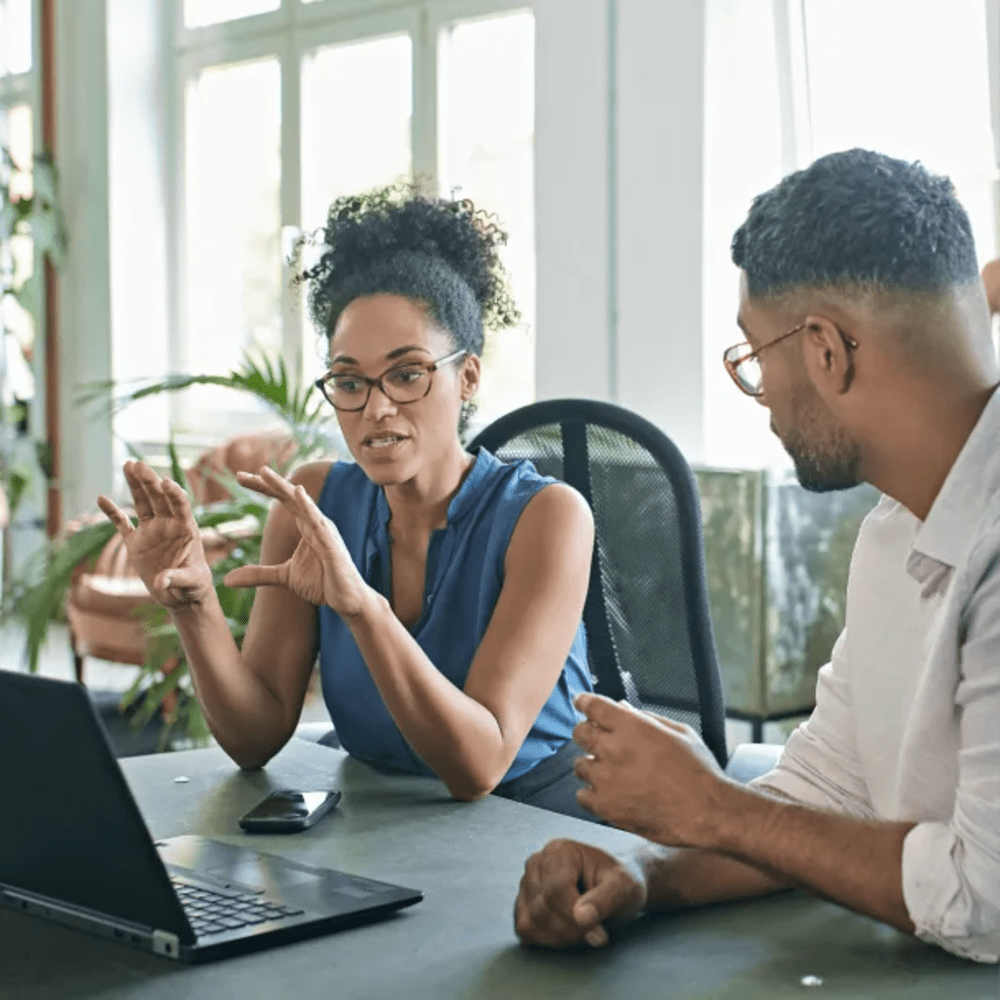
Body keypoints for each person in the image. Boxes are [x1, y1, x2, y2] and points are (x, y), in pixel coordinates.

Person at [513, 149, 1000, 962]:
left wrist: (714, 807)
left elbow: (982, 898)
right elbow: (826, 795)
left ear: (824, 350)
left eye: (752, 354)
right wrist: (644, 871)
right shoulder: (892, 532)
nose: (760, 390)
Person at [97, 185, 599, 820]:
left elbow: (480, 764)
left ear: (467, 377)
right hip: (385, 815)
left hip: (537, 819)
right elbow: (255, 737)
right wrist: (194, 606)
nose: (376, 407)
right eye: (350, 381)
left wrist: (362, 607)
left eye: (408, 373)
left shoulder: (548, 517)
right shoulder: (313, 500)